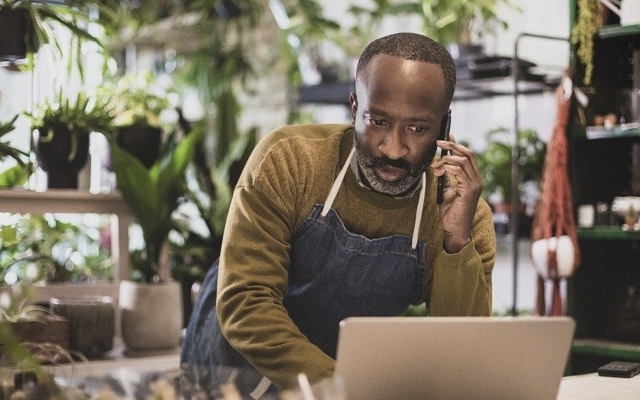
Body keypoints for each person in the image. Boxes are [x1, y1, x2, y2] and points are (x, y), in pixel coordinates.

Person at [180, 31, 496, 398]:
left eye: (417, 128)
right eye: (377, 121)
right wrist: (339, 387)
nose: (393, 149)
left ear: (444, 127)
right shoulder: (289, 161)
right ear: (353, 108)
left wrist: (456, 242)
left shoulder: (462, 214)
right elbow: (246, 302)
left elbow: (459, 350)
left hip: (336, 378)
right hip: (233, 367)